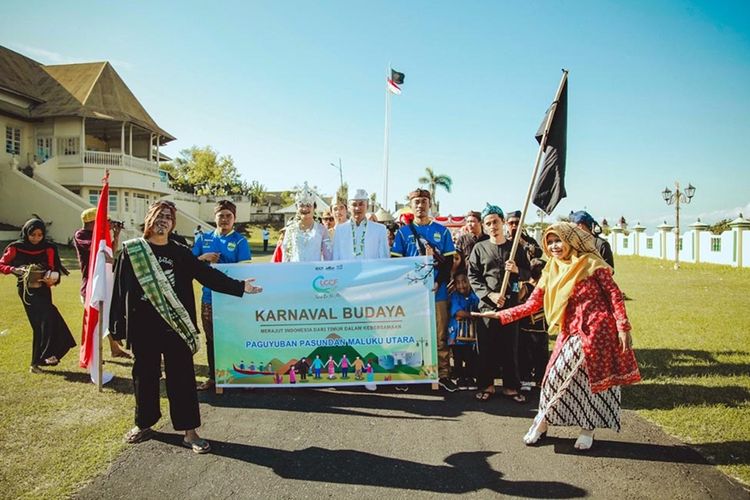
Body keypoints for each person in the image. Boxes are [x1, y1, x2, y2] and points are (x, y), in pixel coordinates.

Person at [110, 201, 263, 454]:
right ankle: (144, 423)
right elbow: (119, 289)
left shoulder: (180, 252)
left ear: (173, 224)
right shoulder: (133, 251)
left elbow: (207, 276)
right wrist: (117, 325)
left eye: (168, 217)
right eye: (159, 215)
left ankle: (189, 431)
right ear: (149, 219)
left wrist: (239, 286)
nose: (163, 220)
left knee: (182, 379)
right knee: (144, 377)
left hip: (175, 327)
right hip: (143, 328)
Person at [475, 222, 640, 451]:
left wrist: (623, 326)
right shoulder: (551, 269)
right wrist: (503, 314)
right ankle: (541, 423)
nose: (553, 246)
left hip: (599, 332)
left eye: (558, 240)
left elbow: (614, 295)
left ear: (571, 241)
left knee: (591, 384)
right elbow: (533, 303)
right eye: (549, 242)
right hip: (570, 331)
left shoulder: (592, 264)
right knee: (553, 378)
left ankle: (587, 429)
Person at [391, 188, 457, 392]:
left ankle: (443, 374)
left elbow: (448, 261)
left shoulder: (442, 231)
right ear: (411, 205)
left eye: (424, 202)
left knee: (439, 335)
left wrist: (439, 282)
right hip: (412, 294)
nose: (420, 205)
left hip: (437, 292)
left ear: (430, 205)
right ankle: (408, 374)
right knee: (410, 333)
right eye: (416, 202)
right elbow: (396, 262)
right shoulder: (403, 232)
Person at [468, 204, 531, 403]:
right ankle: (486, 385)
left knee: (510, 347)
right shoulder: (479, 248)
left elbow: (528, 272)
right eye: (488, 223)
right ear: (484, 227)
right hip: (487, 307)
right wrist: (490, 295)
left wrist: (516, 272)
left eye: (495, 221)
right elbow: (474, 277)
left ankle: (511, 386)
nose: (492, 226)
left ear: (502, 222)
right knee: (486, 347)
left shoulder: (515, 249)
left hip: (510, 306)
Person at [0, 218, 76, 373]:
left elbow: (53, 269)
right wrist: (14, 269)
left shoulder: (49, 248)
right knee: (47, 316)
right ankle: (47, 355)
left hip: (43, 289)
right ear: (26, 233)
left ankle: (37, 362)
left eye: (40, 235)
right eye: (32, 234)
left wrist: (50, 277)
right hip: (27, 291)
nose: (36, 238)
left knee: (42, 325)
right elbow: (1, 265)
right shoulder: (15, 247)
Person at [192, 200, 251, 391]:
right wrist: (203, 258)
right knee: (212, 339)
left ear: (234, 219)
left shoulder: (240, 241)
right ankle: (213, 377)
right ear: (214, 216)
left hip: (232, 299)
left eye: (229, 216)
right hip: (209, 298)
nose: (224, 219)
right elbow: (189, 263)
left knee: (235, 336)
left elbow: (245, 269)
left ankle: (239, 375)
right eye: (221, 215)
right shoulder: (203, 239)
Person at [73, 207, 130, 359]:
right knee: (94, 321)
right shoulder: (81, 234)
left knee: (107, 317)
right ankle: (92, 354)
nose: (109, 223)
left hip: (104, 282)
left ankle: (115, 349)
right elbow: (97, 250)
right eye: (106, 221)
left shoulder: (100, 235)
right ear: (94, 222)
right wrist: (105, 232)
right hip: (91, 285)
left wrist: (115, 235)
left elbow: (110, 252)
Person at [517, 258, 549, 392]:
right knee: (526, 355)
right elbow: (519, 302)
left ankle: (540, 378)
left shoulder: (547, 288)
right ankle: (526, 378)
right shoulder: (526, 287)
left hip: (543, 329)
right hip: (527, 328)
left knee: (541, 356)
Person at [332, 189, 389, 260]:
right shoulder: (340, 230)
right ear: (348, 207)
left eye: (361, 204)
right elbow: (335, 258)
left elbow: (384, 259)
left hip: (371, 270)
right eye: (354, 204)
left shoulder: (379, 230)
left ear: (367, 206)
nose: (357, 208)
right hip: (347, 270)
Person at [281, 182, 332, 262]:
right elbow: (285, 257)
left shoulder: (322, 230)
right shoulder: (290, 229)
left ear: (314, 208)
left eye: (308, 205)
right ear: (296, 208)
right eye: (301, 206)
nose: (305, 209)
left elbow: (328, 257)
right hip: (295, 272)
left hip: (315, 272)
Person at [447, 272, 479, 391]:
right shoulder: (455, 296)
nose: (462, 285)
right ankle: (460, 377)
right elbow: (458, 313)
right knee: (458, 356)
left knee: (470, 355)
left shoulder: (474, 295)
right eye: (458, 283)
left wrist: (467, 315)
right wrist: (473, 315)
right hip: (456, 333)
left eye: (464, 281)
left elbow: (479, 306)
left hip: (470, 333)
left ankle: (470, 377)